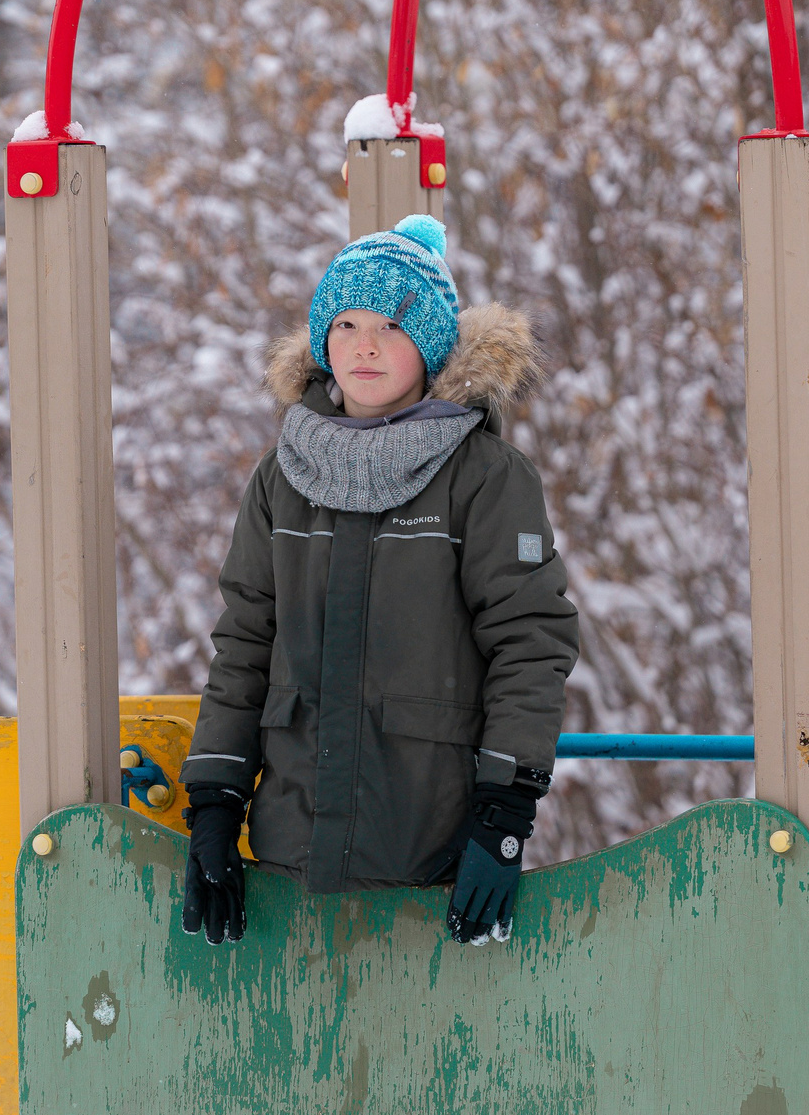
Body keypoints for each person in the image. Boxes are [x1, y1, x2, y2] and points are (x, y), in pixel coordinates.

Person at [175, 214, 578, 947]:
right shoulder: (282, 477)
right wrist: (214, 801)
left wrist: (504, 813)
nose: (364, 344)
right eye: (348, 322)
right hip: (291, 854)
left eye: (391, 327)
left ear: (427, 345)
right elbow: (245, 642)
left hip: (434, 852)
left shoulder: (484, 479)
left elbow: (530, 642)